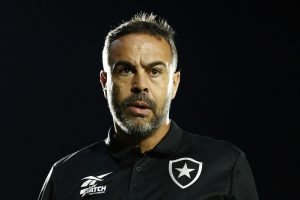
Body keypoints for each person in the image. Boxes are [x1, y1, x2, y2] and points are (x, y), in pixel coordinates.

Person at [38, 12, 259, 200]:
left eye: (154, 71)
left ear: (174, 83)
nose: (140, 85)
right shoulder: (65, 176)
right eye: (126, 70)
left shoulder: (225, 165)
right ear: (105, 83)